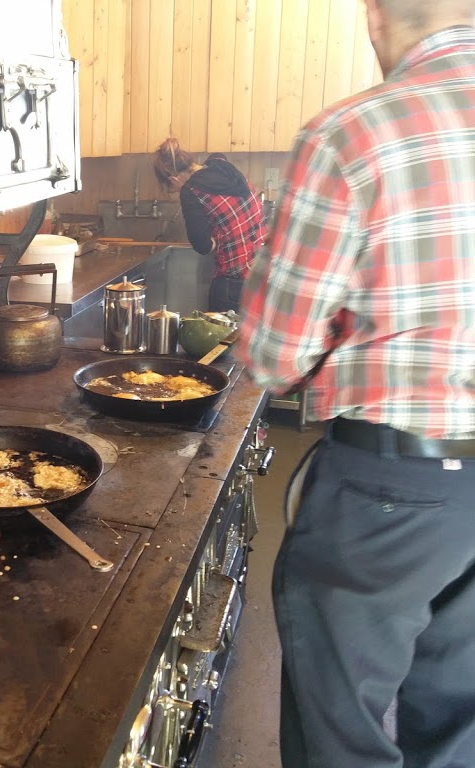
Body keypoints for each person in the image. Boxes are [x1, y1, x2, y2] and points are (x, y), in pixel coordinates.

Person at [236, 1, 475, 766]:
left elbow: (273, 355)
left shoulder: (355, 133)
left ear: (375, 16)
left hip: (392, 492)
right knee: (457, 730)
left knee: (345, 734)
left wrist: (336, 330)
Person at [151, 138, 267, 313]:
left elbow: (202, 245)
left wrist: (219, 236)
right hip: (261, 274)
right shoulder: (220, 164)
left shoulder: (190, 191)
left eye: (171, 187)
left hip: (232, 283)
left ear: (174, 178)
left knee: (221, 339)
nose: (174, 191)